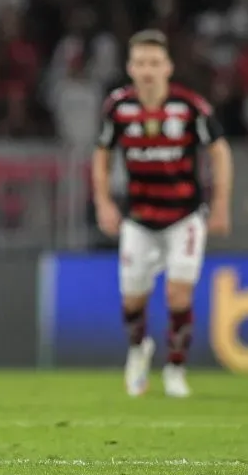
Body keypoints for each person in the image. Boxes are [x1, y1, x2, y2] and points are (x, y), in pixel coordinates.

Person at [93, 30, 233, 398]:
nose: (147, 70)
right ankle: (139, 350)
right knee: (132, 302)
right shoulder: (118, 108)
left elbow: (219, 151)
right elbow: (101, 154)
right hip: (138, 218)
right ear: (130, 67)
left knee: (178, 295)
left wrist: (219, 206)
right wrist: (104, 203)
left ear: (168, 67)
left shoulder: (190, 107)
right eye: (140, 63)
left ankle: (175, 368)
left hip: (184, 217)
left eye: (154, 62)